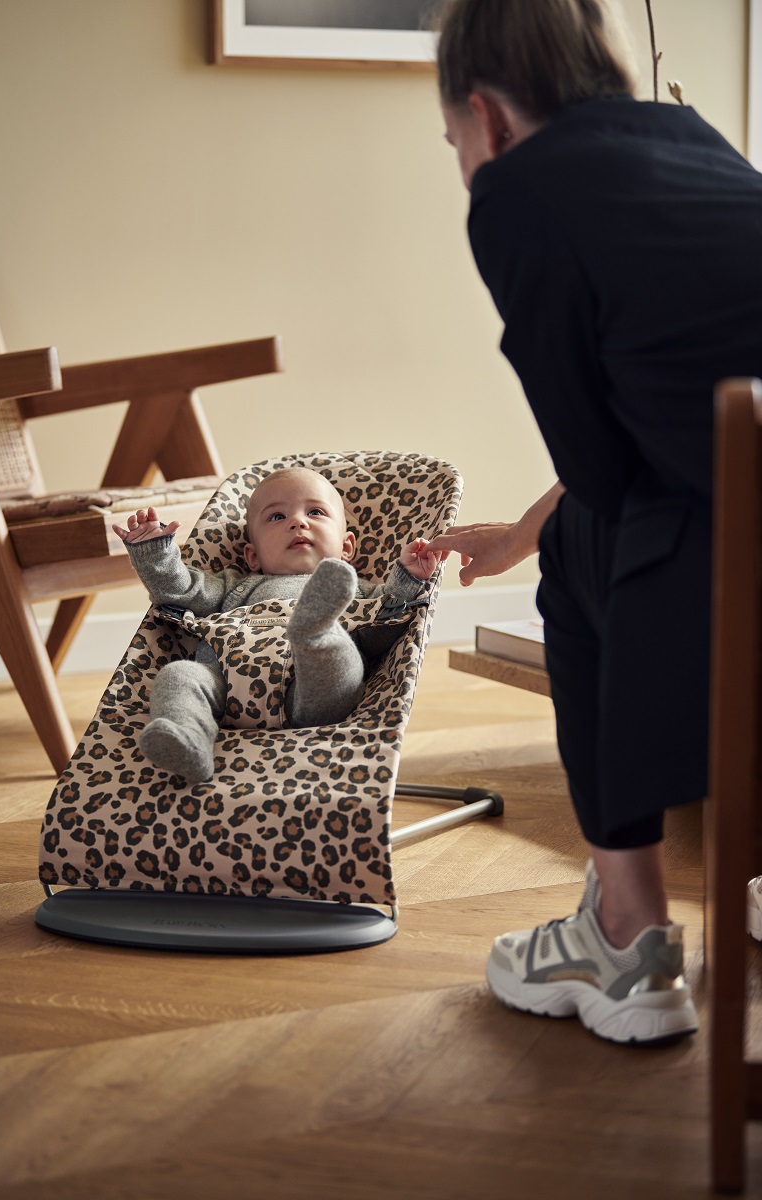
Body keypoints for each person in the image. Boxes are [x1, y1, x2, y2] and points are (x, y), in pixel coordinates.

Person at [428, 0, 762, 1043]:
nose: (461, 162)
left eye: (451, 140)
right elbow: (694, 424)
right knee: (577, 530)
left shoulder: (518, 191)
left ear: (486, 116)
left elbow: (605, 476)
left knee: (579, 555)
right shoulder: (693, 141)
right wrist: (521, 526)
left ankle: (626, 940)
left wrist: (543, 534)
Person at [113, 466, 440, 783]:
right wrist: (155, 553)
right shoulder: (236, 586)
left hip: (309, 696)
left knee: (342, 658)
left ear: (346, 547)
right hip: (225, 684)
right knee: (179, 675)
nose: (297, 522)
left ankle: (317, 633)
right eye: (277, 517)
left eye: (315, 512)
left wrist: (408, 577)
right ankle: (187, 740)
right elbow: (181, 590)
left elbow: (386, 623)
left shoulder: (354, 589)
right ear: (253, 556)